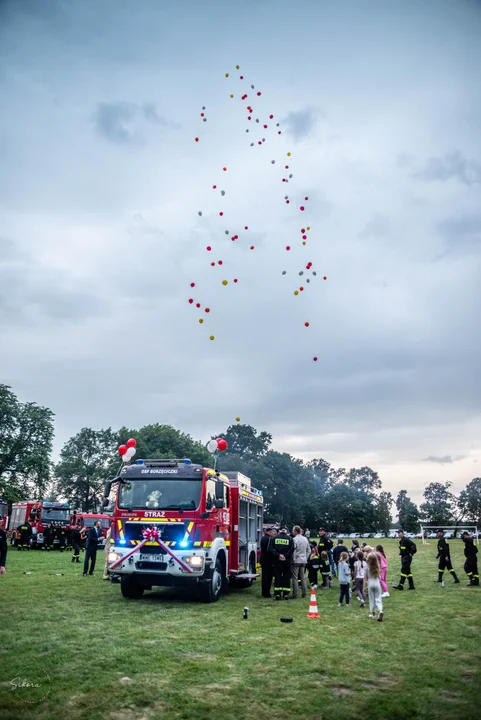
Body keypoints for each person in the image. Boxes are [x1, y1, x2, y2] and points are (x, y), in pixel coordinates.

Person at [270, 527, 294, 600]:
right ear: (286, 531)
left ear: (280, 531)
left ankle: (277, 595)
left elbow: (271, 549)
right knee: (286, 577)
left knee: (277, 576)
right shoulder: (290, 539)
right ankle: (286, 595)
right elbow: (292, 549)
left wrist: (278, 555)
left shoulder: (274, 538)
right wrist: (285, 556)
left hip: (277, 560)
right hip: (287, 561)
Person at [291, 525, 310, 599]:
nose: (292, 532)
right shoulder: (305, 539)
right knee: (303, 577)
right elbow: (309, 550)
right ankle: (304, 593)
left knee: (295, 577)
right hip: (303, 560)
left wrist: (294, 558)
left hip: (296, 560)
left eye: (293, 531)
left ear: (295, 531)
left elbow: (294, 550)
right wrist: (306, 557)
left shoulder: (295, 539)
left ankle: (295, 594)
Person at [364, 552, 384, 622]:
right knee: (378, 598)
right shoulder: (377, 566)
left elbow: (365, 578)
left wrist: (364, 587)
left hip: (370, 583)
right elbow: (379, 576)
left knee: (371, 599)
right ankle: (380, 610)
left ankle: (373, 614)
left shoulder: (367, 567)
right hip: (377, 583)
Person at [260, 526, 277, 598]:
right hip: (268, 561)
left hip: (263, 559)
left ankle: (263, 592)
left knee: (264, 577)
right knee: (269, 577)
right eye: (272, 532)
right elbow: (269, 550)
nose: (273, 533)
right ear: (269, 532)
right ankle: (267, 593)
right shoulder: (270, 539)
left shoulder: (263, 538)